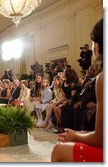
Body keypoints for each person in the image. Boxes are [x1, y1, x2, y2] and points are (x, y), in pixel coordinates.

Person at [51, 18, 103, 162]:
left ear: (97, 46)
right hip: (77, 103)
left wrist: (76, 136)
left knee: (59, 149)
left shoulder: (103, 78)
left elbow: (100, 138)